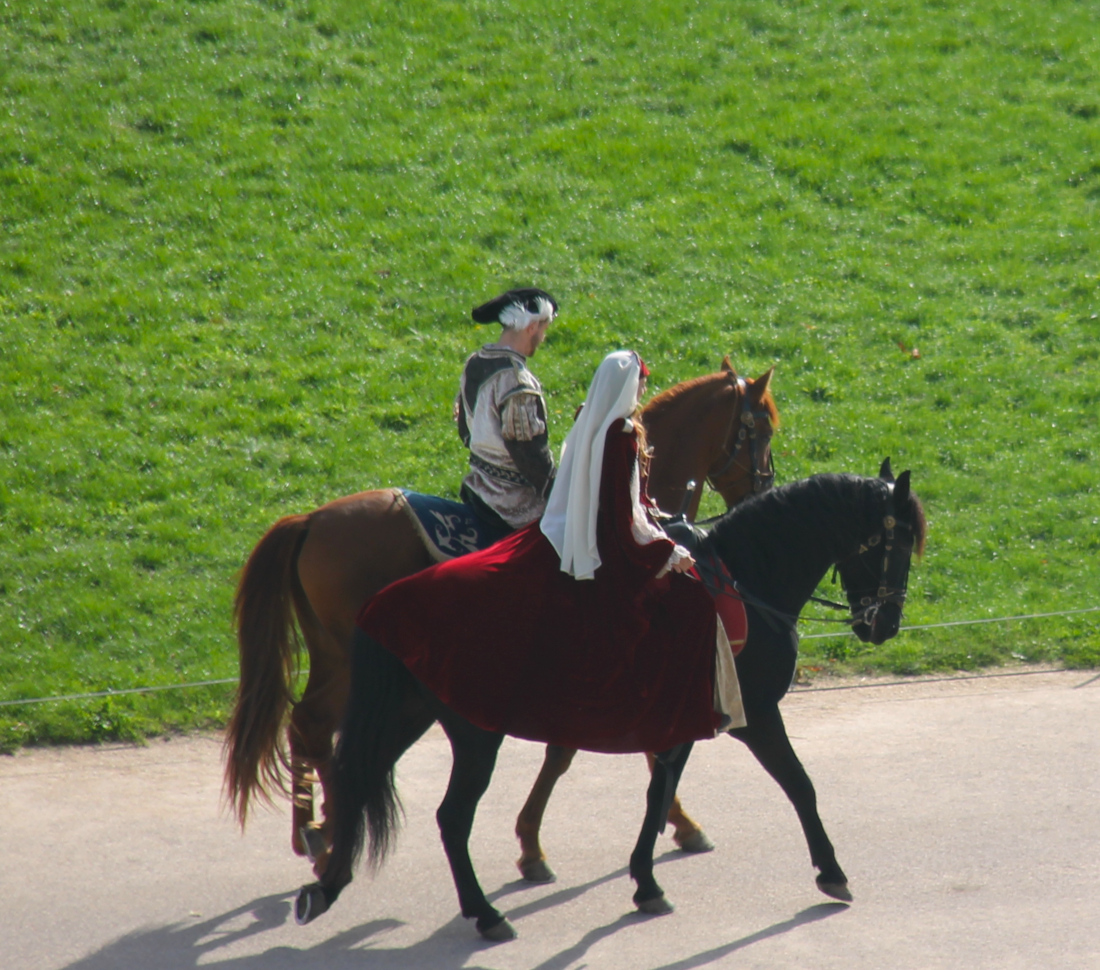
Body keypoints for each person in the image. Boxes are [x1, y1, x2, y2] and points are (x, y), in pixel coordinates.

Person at [359, 351, 745, 754]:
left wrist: (654, 522)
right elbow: (622, 513)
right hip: (613, 544)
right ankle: (687, 709)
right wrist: (667, 552)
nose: (644, 390)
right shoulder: (623, 434)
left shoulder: (592, 423)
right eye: (641, 384)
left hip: (585, 531)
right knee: (692, 600)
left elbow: (622, 500)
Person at [455, 287, 558, 535]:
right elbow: (529, 454)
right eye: (543, 329)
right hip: (512, 504)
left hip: (477, 487)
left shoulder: (475, 361)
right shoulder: (517, 380)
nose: (543, 337)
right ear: (531, 327)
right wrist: (557, 490)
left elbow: (465, 431)